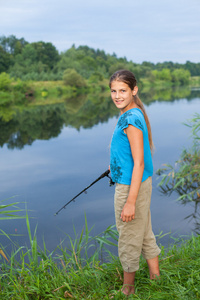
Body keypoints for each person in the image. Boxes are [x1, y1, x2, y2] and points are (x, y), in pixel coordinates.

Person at [109, 70, 161, 296]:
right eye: (113, 91)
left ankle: (127, 289)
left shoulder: (130, 118)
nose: (117, 96)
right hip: (138, 183)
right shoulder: (134, 112)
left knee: (129, 236)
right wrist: (115, 165)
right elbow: (132, 156)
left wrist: (130, 202)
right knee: (143, 230)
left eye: (123, 90)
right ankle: (156, 278)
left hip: (132, 187)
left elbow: (139, 163)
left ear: (134, 90)